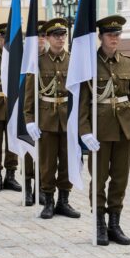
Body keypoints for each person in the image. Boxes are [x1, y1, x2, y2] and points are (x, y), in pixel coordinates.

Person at [79, 15, 130, 246]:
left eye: (117, 35)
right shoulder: (89, 63)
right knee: (99, 177)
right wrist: (84, 131)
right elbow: (82, 101)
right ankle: (99, 224)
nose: (114, 39)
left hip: (124, 128)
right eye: (110, 35)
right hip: (99, 128)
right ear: (101, 36)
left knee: (120, 178)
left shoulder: (129, 63)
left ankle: (114, 223)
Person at [24, 18, 80, 219]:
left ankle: (63, 201)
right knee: (47, 163)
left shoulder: (73, 60)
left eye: (63, 34)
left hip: (68, 119)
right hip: (46, 119)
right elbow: (30, 93)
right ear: (47, 38)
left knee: (67, 161)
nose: (60, 39)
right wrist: (29, 119)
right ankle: (48, 201)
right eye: (56, 35)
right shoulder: (38, 62)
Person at [0, 23, 21, 193]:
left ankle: (11, 175)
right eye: (3, 37)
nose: (5, 40)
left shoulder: (17, 55)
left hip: (12, 104)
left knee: (12, 143)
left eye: (8, 38)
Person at [23, 20, 47, 206]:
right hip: (26, 110)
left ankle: (40, 187)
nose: (41, 40)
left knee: (44, 154)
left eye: (44, 36)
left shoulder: (48, 58)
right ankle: (27, 188)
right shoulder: (23, 57)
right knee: (28, 151)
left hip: (46, 113)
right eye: (38, 36)